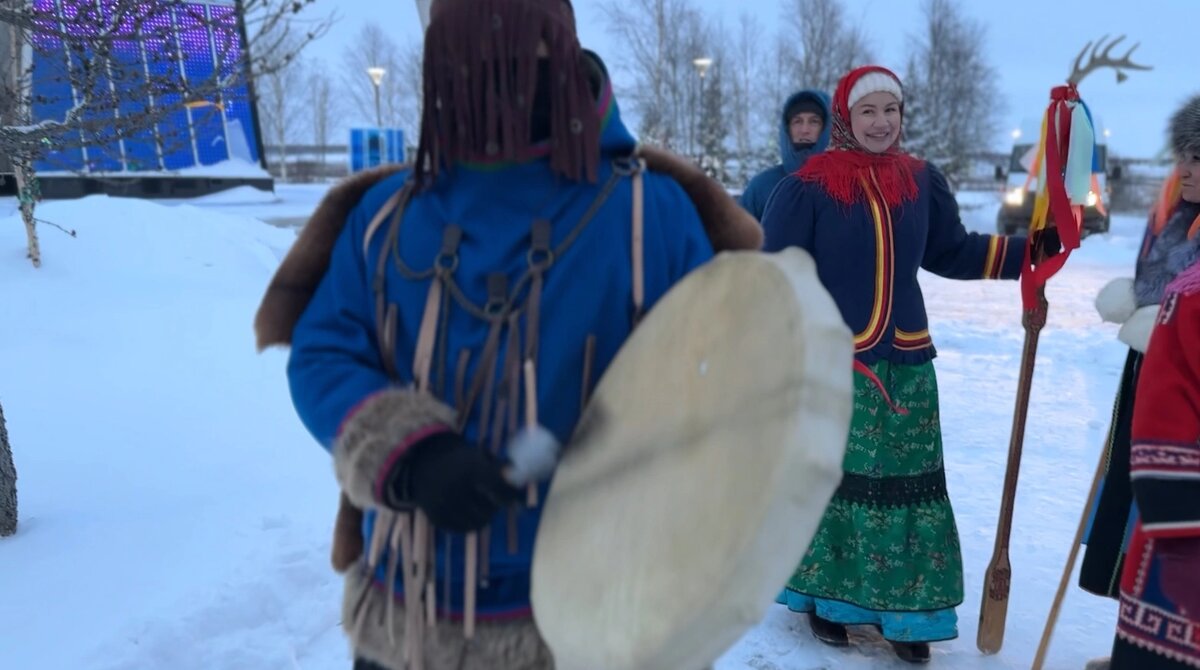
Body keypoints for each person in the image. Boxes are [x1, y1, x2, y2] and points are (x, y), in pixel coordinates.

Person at [268, 1, 761, 668]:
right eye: (469, 52)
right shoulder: (383, 217)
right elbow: (325, 353)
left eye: (520, 50)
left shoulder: (654, 212)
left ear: (561, 50)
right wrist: (411, 455)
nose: (493, 75)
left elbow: (724, 383)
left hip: (604, 620)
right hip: (409, 624)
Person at [760, 65, 1040, 664]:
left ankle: (907, 614)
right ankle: (827, 599)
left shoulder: (920, 181)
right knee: (839, 484)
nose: (882, 122)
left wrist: (1029, 253)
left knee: (909, 487)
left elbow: (952, 250)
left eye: (891, 110)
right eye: (868, 111)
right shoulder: (807, 188)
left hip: (909, 361)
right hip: (834, 365)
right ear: (846, 117)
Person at [1083, 94, 1200, 670]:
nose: (1188, 170)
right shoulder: (1177, 215)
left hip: (1185, 412)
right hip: (1151, 378)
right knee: (1136, 527)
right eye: (1185, 156)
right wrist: (1141, 303)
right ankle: (1134, 643)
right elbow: (1161, 281)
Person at [739, 89, 831, 220]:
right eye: (797, 121)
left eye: (814, 121)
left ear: (826, 128)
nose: (805, 130)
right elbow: (737, 238)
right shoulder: (762, 187)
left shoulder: (846, 188)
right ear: (787, 129)